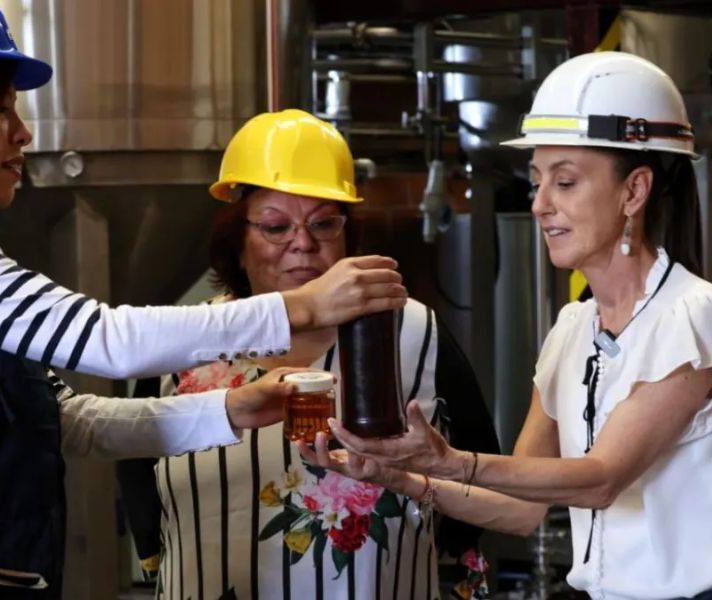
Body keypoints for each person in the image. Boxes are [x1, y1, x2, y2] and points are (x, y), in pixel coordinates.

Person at [0, 1, 407, 598]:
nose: (24, 133)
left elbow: (70, 420)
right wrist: (303, 306)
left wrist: (231, 410)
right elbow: (107, 341)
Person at [300, 51, 712, 600]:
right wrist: (396, 478)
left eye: (564, 183)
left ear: (634, 191)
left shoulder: (691, 316)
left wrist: (451, 460)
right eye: (536, 181)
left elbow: (601, 477)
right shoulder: (573, 327)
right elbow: (520, 508)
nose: (539, 204)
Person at [117, 109, 500, 600]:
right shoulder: (185, 340)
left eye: (323, 223)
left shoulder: (412, 332)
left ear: (346, 238)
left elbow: (481, 463)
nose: (302, 242)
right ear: (238, 244)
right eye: (275, 227)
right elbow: (133, 467)